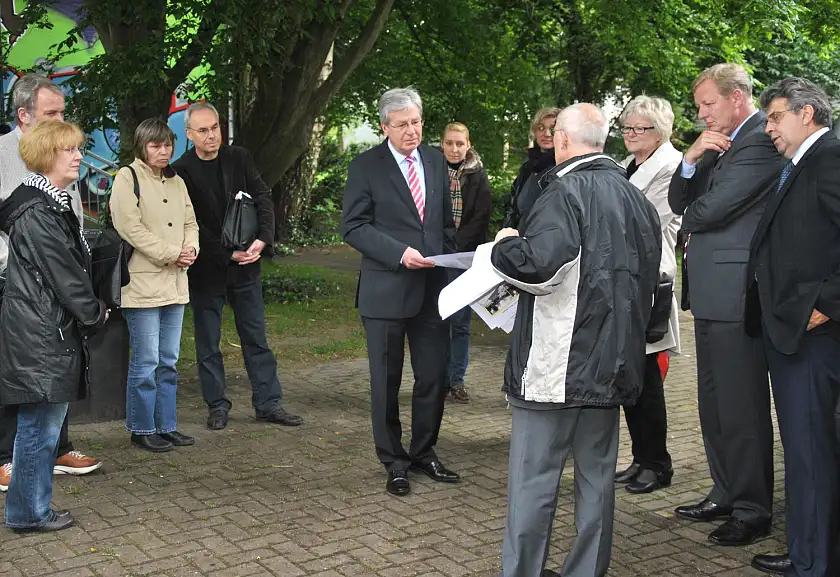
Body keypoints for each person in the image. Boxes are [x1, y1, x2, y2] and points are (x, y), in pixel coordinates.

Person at [492, 104, 662, 577]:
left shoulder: (563, 192)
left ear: (563, 140)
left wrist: (506, 243)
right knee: (597, 477)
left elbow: (539, 266)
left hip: (558, 365)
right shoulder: (636, 198)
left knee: (533, 480)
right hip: (613, 363)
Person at [668, 63, 785, 546]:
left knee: (742, 406)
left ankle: (753, 508)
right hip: (711, 291)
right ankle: (725, 491)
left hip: (738, 292)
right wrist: (691, 158)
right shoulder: (717, 144)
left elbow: (708, 210)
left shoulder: (759, 140)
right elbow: (681, 196)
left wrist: (693, 211)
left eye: (707, 104)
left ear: (738, 98)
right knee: (714, 403)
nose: (701, 114)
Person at [341, 87, 459, 496]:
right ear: (384, 127)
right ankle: (394, 462)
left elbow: (442, 223)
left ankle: (424, 452)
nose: (412, 131)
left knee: (433, 376)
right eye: (402, 124)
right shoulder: (365, 167)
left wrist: (447, 260)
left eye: (416, 122)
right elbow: (353, 227)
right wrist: (399, 253)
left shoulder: (434, 158)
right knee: (386, 382)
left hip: (431, 290)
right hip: (386, 291)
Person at [746, 77, 840, 577]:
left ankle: (814, 562)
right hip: (789, 329)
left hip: (811, 335)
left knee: (810, 452)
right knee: (803, 452)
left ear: (807, 114)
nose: (768, 129)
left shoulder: (830, 157)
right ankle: (807, 548)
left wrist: (825, 302)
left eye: (775, 117)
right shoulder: (802, 163)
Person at [0, 120, 109, 531]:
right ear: (48, 155)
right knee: (39, 429)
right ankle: (29, 513)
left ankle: (31, 509)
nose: (80, 156)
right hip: (42, 333)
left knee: (41, 426)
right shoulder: (37, 210)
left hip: (45, 329)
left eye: (78, 148)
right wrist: (95, 313)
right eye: (70, 150)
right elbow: (64, 273)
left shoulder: (49, 203)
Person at [172, 102, 302, 431]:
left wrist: (263, 238)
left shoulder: (238, 157)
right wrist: (224, 254)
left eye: (215, 127)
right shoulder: (181, 171)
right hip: (208, 270)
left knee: (256, 338)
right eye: (203, 130)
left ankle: (268, 403)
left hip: (247, 267)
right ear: (189, 134)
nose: (211, 135)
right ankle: (217, 405)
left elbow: (262, 196)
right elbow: (191, 224)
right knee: (208, 343)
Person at [111, 119, 199, 453]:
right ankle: (142, 427)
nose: (163, 152)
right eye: (155, 146)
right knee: (146, 362)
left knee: (169, 360)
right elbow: (130, 228)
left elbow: (191, 221)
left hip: (176, 282)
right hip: (143, 284)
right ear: (142, 147)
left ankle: (167, 425)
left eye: (167, 145)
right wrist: (170, 253)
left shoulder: (176, 181)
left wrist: (191, 249)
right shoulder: (127, 177)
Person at [614, 95, 682, 494]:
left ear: (661, 132)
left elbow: (642, 219)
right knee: (629, 376)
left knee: (647, 380)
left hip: (650, 282)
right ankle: (641, 458)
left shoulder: (671, 167)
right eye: (627, 128)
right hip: (624, 283)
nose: (630, 135)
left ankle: (658, 464)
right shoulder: (627, 165)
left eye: (640, 128)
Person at [440, 122, 492, 403]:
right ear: (442, 143)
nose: (454, 148)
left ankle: (456, 380)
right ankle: (435, 379)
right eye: (449, 143)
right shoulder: (431, 170)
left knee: (460, 323)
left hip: (463, 258)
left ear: (468, 144)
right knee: (436, 322)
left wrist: (456, 247)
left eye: (459, 143)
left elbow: (481, 217)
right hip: (434, 256)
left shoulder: (478, 175)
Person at [501, 107, 561, 229]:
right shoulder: (528, 167)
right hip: (518, 240)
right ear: (535, 132)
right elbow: (512, 206)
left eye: (553, 129)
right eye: (541, 128)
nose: (547, 134)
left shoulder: (563, 167)